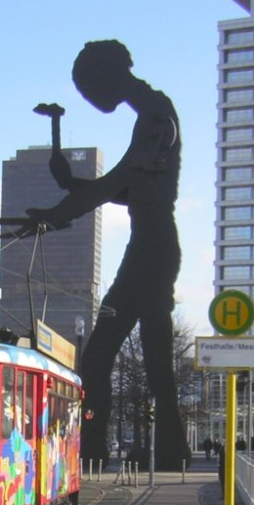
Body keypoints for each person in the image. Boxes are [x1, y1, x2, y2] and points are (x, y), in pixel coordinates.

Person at [24, 39, 190, 470]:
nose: (90, 100)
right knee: (141, 359)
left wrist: (59, 211)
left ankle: (99, 449)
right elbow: (127, 189)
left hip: (150, 251)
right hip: (150, 248)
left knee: (106, 357)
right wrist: (74, 185)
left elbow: (118, 182)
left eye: (88, 89)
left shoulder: (155, 115)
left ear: (107, 76)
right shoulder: (154, 113)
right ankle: (163, 454)